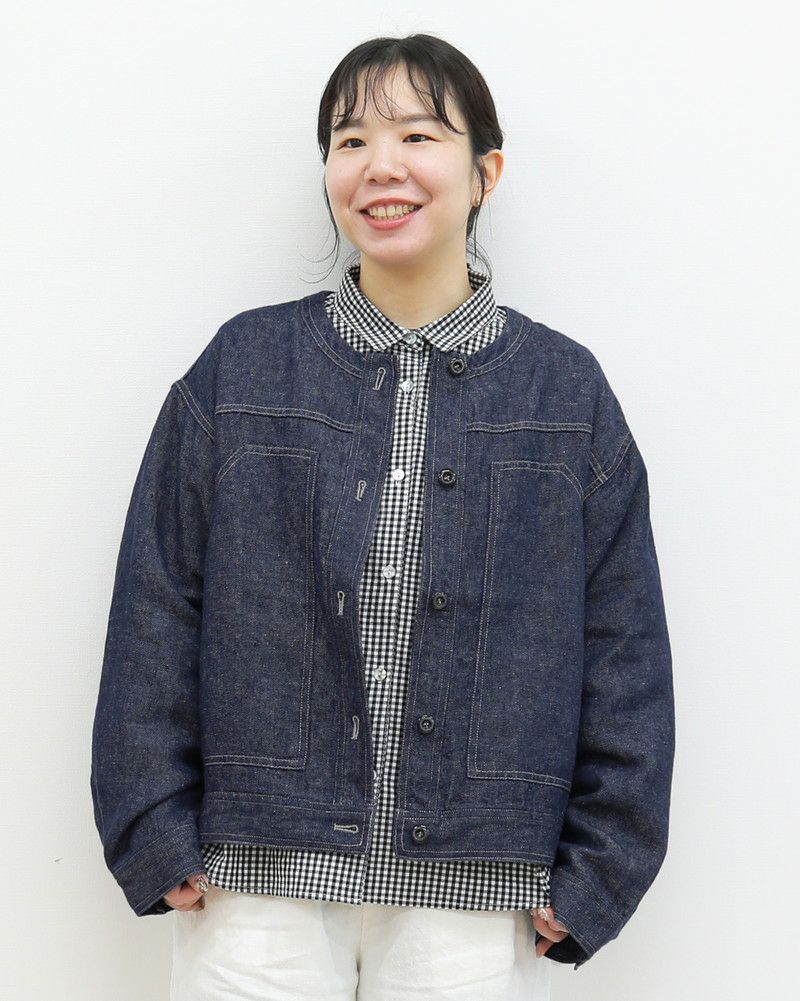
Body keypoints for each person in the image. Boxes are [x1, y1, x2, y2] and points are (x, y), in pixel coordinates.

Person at [91, 32, 675, 1001]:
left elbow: (625, 646)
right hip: (256, 877)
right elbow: (157, 600)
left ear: (484, 173)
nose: (380, 165)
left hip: (477, 883)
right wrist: (151, 823)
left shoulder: (564, 393)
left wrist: (600, 869)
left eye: (417, 135)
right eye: (350, 139)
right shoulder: (242, 368)